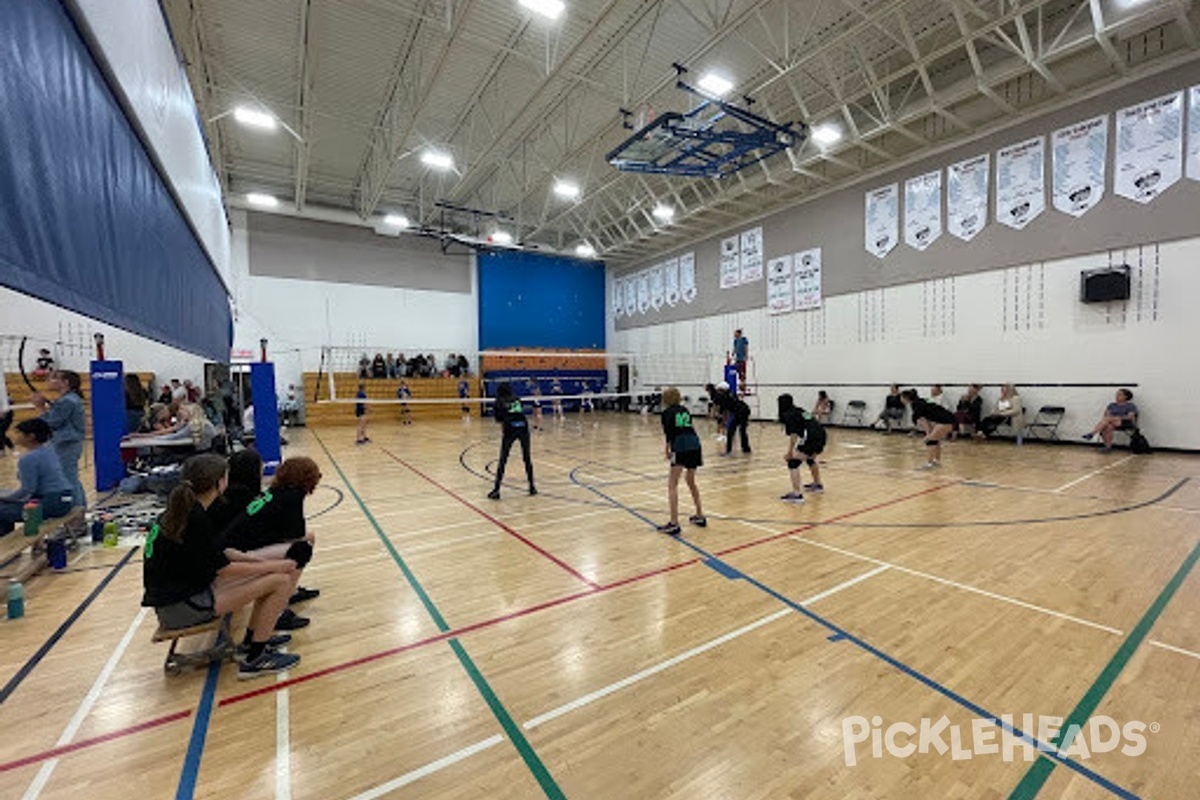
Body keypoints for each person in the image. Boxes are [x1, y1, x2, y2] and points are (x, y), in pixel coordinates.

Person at [141, 454, 300, 679]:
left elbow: (220, 553)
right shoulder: (195, 519)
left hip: (179, 599)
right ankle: (255, 659)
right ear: (219, 482)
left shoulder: (184, 512)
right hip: (182, 608)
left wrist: (264, 563)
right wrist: (274, 568)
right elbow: (224, 569)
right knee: (280, 581)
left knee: (270, 575)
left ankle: (252, 641)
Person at [217, 454, 322, 625]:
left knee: (303, 541)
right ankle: (280, 610)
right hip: (236, 554)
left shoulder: (275, 490)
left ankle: (289, 592)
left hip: (233, 547)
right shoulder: (293, 495)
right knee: (302, 548)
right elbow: (295, 534)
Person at [0, 419, 74, 535]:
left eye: (19, 433)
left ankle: (5, 547)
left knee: (2, 511)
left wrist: (6, 498)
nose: (15, 436)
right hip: (66, 499)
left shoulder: (29, 459)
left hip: (51, 503)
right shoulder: (49, 450)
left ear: (31, 436)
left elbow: (27, 490)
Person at [31, 370, 86, 508]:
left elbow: (52, 422)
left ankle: (76, 516)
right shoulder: (68, 399)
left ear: (65, 382)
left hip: (66, 444)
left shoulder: (68, 400)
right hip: (67, 443)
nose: (49, 380)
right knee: (71, 477)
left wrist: (40, 408)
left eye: (54, 378)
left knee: (68, 479)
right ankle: (79, 511)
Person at [656, 387, 705, 534]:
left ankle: (674, 523)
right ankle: (700, 515)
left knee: (672, 484)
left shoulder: (666, 413)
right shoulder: (684, 410)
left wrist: (667, 449)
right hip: (695, 444)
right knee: (691, 481)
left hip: (681, 445)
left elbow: (669, 434)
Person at [488, 382, 536, 500]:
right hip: (523, 427)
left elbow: (499, 419)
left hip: (510, 429)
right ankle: (532, 487)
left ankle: (496, 490)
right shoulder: (517, 399)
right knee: (527, 458)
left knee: (503, 459)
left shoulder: (498, 401)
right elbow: (519, 412)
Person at [778, 394, 826, 502]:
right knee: (809, 458)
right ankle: (817, 484)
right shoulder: (799, 410)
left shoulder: (788, 415)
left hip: (811, 437)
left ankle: (796, 494)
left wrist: (789, 452)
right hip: (821, 434)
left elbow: (794, 435)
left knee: (793, 462)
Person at [901, 389, 956, 469]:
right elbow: (927, 421)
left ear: (906, 398)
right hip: (948, 419)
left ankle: (929, 463)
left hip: (946, 421)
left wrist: (928, 435)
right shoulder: (919, 402)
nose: (901, 399)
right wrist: (930, 433)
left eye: (901, 397)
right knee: (935, 440)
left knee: (930, 440)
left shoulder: (916, 406)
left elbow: (924, 422)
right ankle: (936, 461)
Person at [1083, 389, 1139, 453]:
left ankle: (1092, 433)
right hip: (1112, 422)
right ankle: (1108, 447)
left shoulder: (1130, 406)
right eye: (1116, 394)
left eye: (1119, 394)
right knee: (1108, 426)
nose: (1116, 396)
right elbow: (1106, 415)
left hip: (1126, 422)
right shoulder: (1112, 405)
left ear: (1125, 397)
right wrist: (1112, 418)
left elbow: (1130, 417)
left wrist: (1117, 418)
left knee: (1108, 420)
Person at [712, 382, 751, 455]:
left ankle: (737, 449)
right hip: (741, 411)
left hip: (742, 412)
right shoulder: (730, 394)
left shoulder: (724, 397)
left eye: (719, 390)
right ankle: (744, 449)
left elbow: (725, 411)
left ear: (723, 390)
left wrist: (724, 420)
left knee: (736, 431)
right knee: (737, 431)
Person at [0, 379, 14, 455]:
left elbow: (11, 403)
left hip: (7, 416)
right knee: (1, 433)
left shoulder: (7, 396)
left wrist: (4, 411)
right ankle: (10, 447)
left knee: (1, 432)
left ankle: (3, 449)